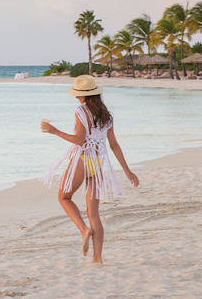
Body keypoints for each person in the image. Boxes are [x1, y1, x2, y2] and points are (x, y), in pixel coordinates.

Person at [40, 76, 139, 266]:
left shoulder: (81, 111)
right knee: (94, 214)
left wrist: (55, 131)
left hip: (82, 160)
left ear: (84, 96)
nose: (77, 98)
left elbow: (79, 140)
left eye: (78, 95)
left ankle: (84, 229)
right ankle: (97, 259)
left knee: (64, 198)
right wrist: (127, 171)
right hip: (97, 163)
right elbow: (114, 145)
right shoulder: (106, 115)